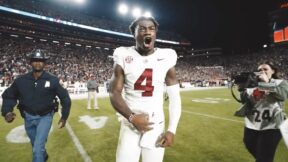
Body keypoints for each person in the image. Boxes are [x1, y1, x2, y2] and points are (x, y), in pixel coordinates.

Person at [109, 16, 182, 162]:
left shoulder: (166, 56)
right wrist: (132, 117)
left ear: (155, 33)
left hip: (156, 126)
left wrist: (171, 130)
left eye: (151, 29)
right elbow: (114, 92)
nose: (147, 32)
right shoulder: (124, 54)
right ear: (134, 34)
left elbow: (175, 98)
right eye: (141, 29)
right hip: (130, 125)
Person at [1, 49, 71, 162]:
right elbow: (9, 95)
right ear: (30, 62)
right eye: (35, 60)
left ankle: (40, 155)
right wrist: (7, 111)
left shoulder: (52, 80)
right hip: (28, 118)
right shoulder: (21, 80)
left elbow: (65, 98)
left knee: (37, 149)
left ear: (45, 63)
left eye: (41, 60)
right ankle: (44, 156)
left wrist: (64, 117)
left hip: (45, 117)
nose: (38, 63)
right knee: (36, 146)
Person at [237, 61, 288, 162]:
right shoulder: (252, 83)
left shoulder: (280, 83)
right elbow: (243, 99)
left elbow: (282, 96)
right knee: (250, 146)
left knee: (263, 157)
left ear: (273, 71)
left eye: (265, 69)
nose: (262, 71)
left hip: (272, 126)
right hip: (252, 124)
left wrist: (266, 83)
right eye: (260, 70)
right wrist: (243, 87)